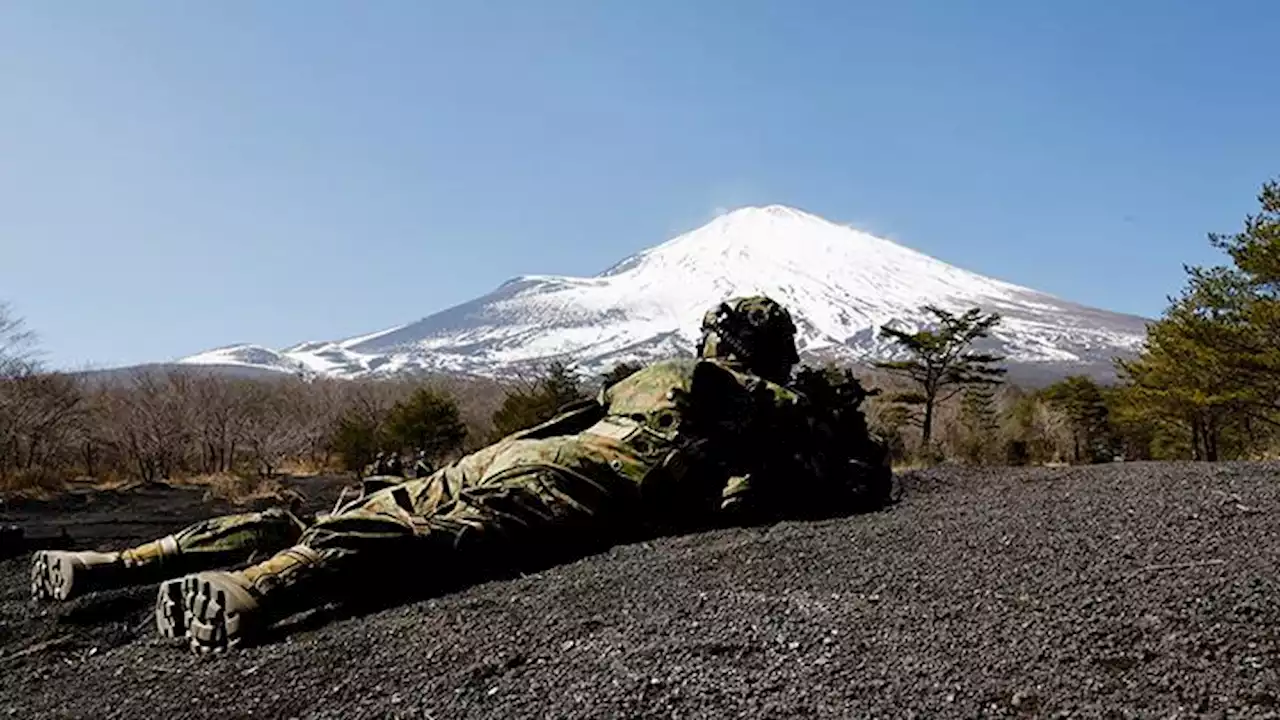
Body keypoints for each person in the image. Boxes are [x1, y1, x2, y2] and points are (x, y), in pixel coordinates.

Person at [29, 296, 889, 653]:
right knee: (435, 536)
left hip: (515, 451)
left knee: (387, 501)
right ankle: (261, 588)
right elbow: (782, 493)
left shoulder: (655, 371)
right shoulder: (771, 405)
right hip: (582, 484)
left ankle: (118, 566)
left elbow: (578, 416)